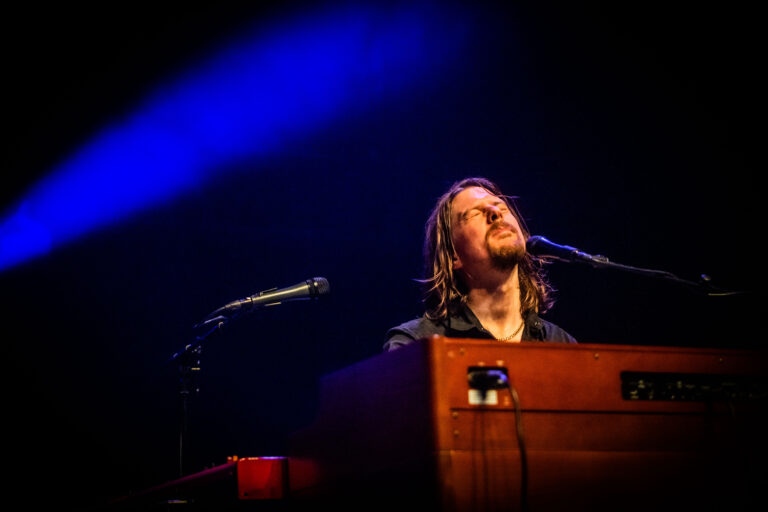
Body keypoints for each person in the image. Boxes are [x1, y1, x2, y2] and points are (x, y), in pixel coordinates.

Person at [384, 177, 576, 351]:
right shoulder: (415, 346)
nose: (495, 213)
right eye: (474, 214)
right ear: (453, 256)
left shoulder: (563, 346)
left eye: (502, 208)